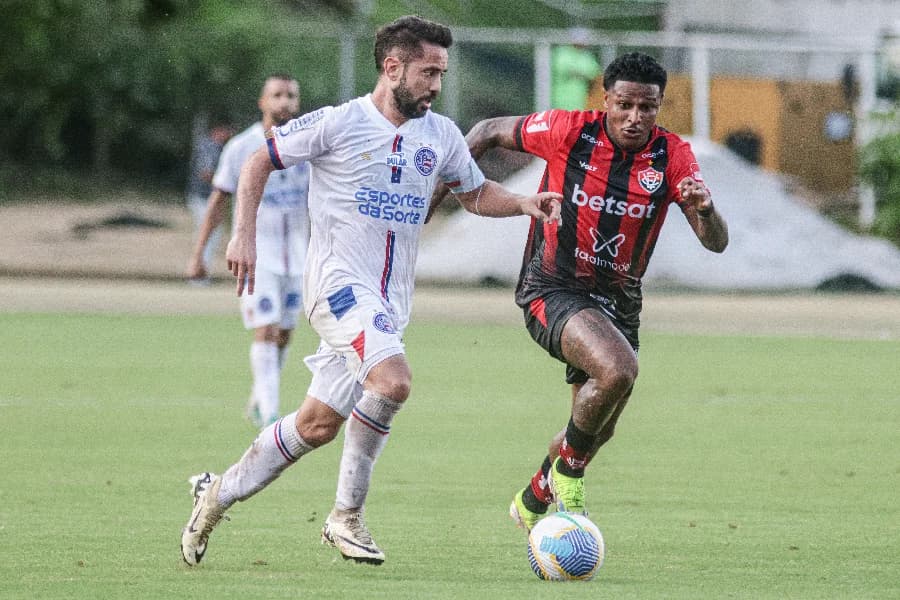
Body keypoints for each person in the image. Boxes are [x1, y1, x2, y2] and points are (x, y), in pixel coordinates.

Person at [180, 15, 562, 568]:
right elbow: (260, 158)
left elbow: (475, 193)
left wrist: (524, 203)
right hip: (337, 287)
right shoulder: (339, 123)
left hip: (388, 305)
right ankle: (345, 518)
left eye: (442, 73)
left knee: (315, 425)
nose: (436, 84)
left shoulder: (441, 135)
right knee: (393, 380)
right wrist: (242, 235)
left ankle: (216, 495)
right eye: (428, 72)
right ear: (392, 67)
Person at [454, 52, 729, 531]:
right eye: (624, 105)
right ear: (606, 100)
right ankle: (569, 479)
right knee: (618, 369)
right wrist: (442, 187)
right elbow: (487, 130)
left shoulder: (672, 155)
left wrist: (705, 210)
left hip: (619, 302)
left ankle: (536, 493)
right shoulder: (569, 131)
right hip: (552, 287)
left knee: (598, 426)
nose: (634, 118)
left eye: (648, 108)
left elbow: (717, 244)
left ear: (659, 106)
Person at [185, 75, 311, 428]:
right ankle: (270, 414)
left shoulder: (307, 147)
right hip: (258, 256)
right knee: (266, 329)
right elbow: (217, 201)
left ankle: (259, 398)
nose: (284, 101)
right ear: (262, 101)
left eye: (290, 96)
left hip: (298, 256)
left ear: (297, 103)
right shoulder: (242, 147)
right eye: (277, 95)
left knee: (285, 333)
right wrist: (199, 254)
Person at [185, 119, 234, 283]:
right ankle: (198, 274)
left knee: (211, 235)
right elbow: (205, 173)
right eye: (226, 131)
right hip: (203, 197)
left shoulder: (214, 147)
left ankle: (200, 272)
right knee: (208, 235)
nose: (228, 135)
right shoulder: (210, 147)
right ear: (218, 130)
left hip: (204, 197)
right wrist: (226, 183)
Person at [551, 27, 602, 110]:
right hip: (560, 100)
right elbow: (563, 70)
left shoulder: (587, 56)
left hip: (580, 100)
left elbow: (595, 75)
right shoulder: (561, 52)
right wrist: (582, 74)